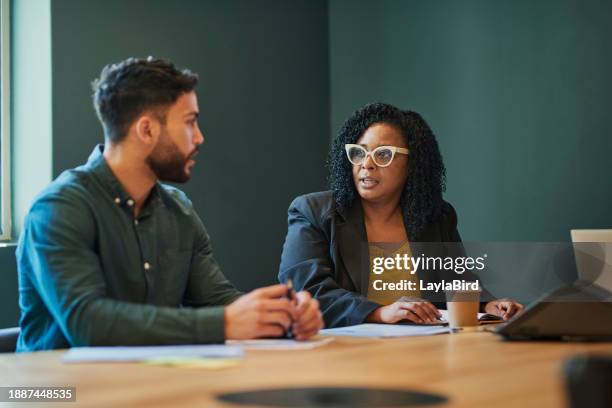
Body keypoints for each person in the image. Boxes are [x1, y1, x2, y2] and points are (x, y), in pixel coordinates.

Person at [16, 57, 323, 351]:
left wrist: (281, 318)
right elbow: (88, 323)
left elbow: (218, 302)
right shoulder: (59, 208)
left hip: (148, 386)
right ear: (146, 129)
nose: (200, 138)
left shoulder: (178, 209)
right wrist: (225, 324)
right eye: (190, 123)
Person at [278, 102, 523, 328]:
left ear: (413, 164)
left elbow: (456, 278)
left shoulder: (436, 216)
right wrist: (379, 313)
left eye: (383, 154)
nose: (367, 164)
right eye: (359, 153)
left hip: (420, 349)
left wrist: (488, 305)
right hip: (340, 353)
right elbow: (306, 291)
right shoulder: (312, 211)